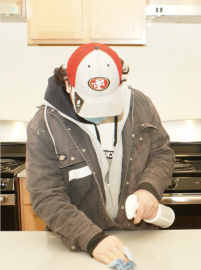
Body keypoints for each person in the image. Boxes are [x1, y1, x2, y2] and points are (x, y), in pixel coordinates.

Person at [26, 43, 175, 265]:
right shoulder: (44, 125)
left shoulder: (141, 104)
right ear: (68, 84)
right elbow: (46, 196)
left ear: (120, 83)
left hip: (140, 236)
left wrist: (149, 187)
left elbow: (162, 153)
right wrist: (91, 238)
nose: (99, 113)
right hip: (80, 244)